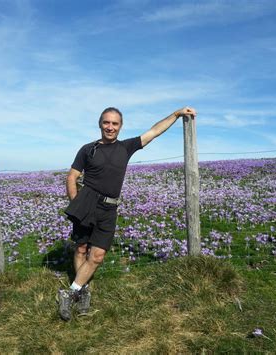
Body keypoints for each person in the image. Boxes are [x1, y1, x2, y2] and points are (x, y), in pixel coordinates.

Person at [58, 106, 197, 321]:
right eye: (106, 122)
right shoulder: (88, 149)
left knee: (97, 255)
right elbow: (72, 176)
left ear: (120, 127)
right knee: (81, 248)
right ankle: (83, 292)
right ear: (100, 124)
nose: (110, 127)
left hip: (109, 208)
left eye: (114, 123)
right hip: (86, 203)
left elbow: (154, 132)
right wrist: (76, 204)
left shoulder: (126, 147)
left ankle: (69, 292)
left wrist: (176, 115)